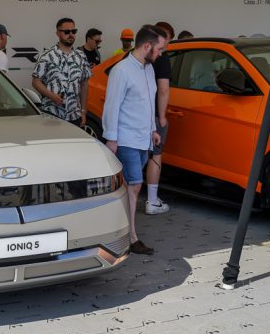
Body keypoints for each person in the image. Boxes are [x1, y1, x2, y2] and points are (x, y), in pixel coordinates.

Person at [102, 24, 168, 255]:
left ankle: (120, 230)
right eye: (159, 49)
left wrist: (152, 129)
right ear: (147, 46)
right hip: (126, 137)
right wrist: (111, 138)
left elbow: (147, 103)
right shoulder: (121, 70)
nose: (161, 54)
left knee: (130, 187)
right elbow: (112, 106)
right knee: (134, 185)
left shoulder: (148, 68)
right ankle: (131, 237)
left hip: (143, 138)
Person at [32, 18, 91, 127]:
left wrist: (83, 111)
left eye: (73, 31)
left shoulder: (81, 56)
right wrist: (51, 96)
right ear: (58, 33)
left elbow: (84, 84)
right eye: (66, 32)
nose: (71, 34)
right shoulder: (46, 56)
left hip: (74, 115)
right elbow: (36, 82)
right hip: (51, 113)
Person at [144, 21, 175, 215]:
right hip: (154, 114)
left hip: (137, 114)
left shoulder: (137, 56)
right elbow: (163, 89)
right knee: (156, 156)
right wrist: (162, 116)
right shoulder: (162, 59)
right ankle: (152, 201)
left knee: (136, 156)